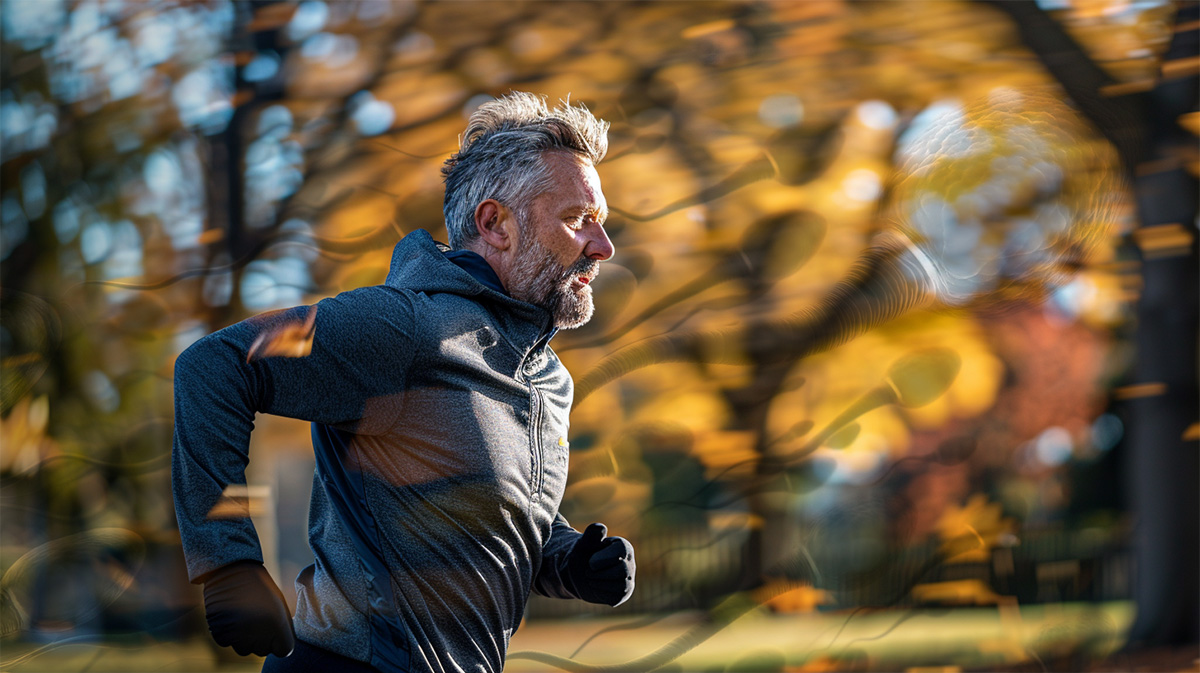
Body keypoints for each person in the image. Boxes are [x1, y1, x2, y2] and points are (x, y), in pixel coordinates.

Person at [172, 92, 635, 673]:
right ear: (496, 224)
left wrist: (568, 561)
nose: (603, 246)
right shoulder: (401, 327)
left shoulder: (548, 378)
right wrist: (228, 564)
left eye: (602, 223)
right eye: (577, 220)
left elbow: (484, 517)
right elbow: (216, 364)